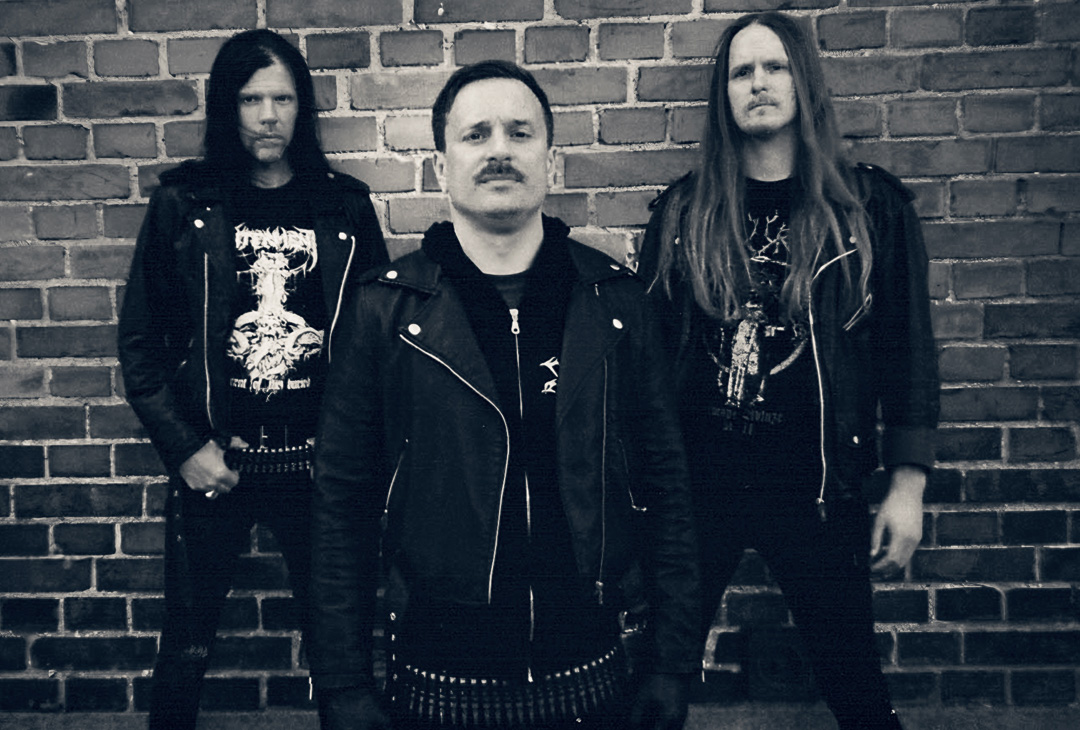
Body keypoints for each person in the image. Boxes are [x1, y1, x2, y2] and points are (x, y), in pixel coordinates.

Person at [309, 60, 700, 730]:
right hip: (436, 681)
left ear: (550, 159)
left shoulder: (614, 302)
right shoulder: (384, 311)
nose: (499, 150)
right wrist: (343, 681)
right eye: (476, 134)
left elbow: (666, 484)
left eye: (520, 133)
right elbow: (341, 502)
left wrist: (672, 661)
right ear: (442, 167)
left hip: (593, 676)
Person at [637, 12, 939, 730]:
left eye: (774, 66)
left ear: (804, 81)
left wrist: (908, 483)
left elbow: (907, 349)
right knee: (655, 685)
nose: (759, 83)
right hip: (698, 489)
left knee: (856, 688)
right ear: (724, 94)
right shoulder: (682, 213)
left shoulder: (868, 209)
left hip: (816, 489)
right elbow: (644, 361)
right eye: (741, 71)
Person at [117, 29, 388, 730]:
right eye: (250, 99)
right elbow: (141, 345)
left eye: (283, 99)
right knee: (186, 647)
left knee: (342, 653)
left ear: (302, 109)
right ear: (226, 107)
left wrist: (352, 452)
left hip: (318, 468)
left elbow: (378, 347)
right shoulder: (185, 203)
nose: (268, 116)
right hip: (218, 462)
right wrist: (185, 448)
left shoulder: (344, 207)